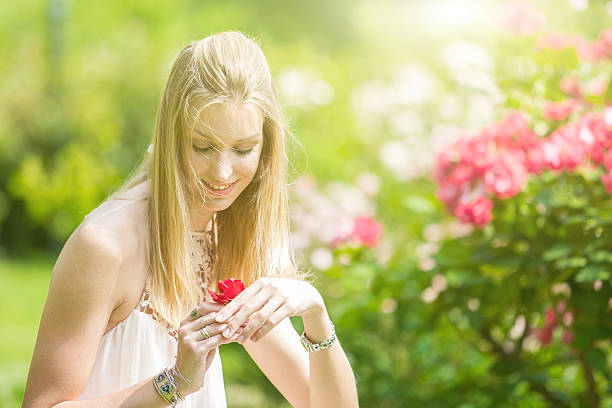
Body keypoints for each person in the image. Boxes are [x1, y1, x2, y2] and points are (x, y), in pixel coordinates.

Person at [22, 31, 359, 407]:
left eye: (243, 149)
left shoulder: (228, 237)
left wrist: (315, 311)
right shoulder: (105, 246)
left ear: (266, 146)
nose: (223, 172)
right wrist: (175, 383)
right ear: (172, 135)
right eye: (203, 146)